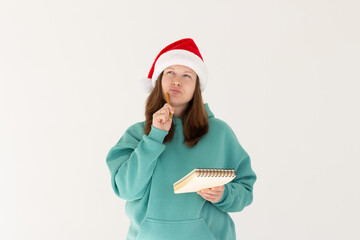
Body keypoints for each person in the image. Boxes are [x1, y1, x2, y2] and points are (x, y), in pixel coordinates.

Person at [106, 38, 257, 240]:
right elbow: (126, 189)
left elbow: (245, 189)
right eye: (170, 72)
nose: (177, 81)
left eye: (187, 75)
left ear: (196, 87)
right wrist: (154, 137)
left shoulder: (220, 134)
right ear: (159, 81)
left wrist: (224, 195)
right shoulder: (136, 135)